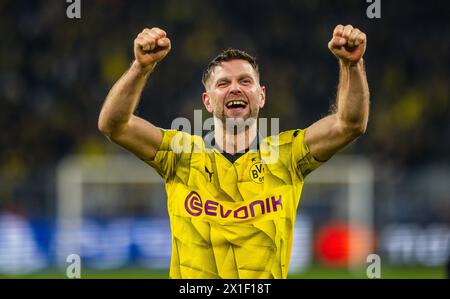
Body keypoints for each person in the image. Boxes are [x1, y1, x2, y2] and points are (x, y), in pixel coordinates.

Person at [98, 24, 369, 279]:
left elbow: (350, 124)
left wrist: (351, 64)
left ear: (261, 96)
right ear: (207, 100)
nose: (235, 88)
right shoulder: (181, 155)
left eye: (245, 81)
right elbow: (114, 125)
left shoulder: (288, 156)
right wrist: (141, 67)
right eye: (223, 83)